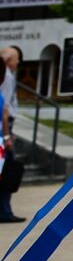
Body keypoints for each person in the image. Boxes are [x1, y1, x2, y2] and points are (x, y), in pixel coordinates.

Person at [0, 46, 23, 223]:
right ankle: (4, 211)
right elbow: (4, 109)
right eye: (16, 59)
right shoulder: (6, 77)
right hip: (3, 132)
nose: (18, 62)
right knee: (6, 170)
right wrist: (7, 135)